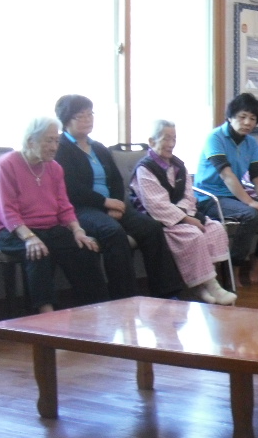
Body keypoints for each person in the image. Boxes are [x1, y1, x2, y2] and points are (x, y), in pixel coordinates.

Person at [54, 94, 183, 300]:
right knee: (113, 232)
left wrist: (115, 203)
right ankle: (125, 298)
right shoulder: (60, 149)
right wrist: (105, 203)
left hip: (111, 205)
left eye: (90, 114)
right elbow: (71, 188)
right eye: (81, 116)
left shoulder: (98, 147)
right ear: (66, 120)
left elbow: (115, 179)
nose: (88, 120)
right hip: (81, 209)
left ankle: (167, 293)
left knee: (151, 227)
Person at [0, 116, 108, 313]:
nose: (54, 147)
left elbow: (64, 206)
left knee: (85, 249)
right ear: (30, 141)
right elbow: (6, 210)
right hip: (10, 229)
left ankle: (95, 311)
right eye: (49, 141)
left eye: (56, 141)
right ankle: (46, 317)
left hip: (48, 227)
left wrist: (78, 231)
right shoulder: (7, 163)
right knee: (38, 252)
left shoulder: (55, 168)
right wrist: (29, 237)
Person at [129, 120, 237, 306]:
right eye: (166, 139)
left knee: (216, 228)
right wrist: (186, 219)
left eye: (174, 138)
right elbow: (157, 205)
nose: (171, 144)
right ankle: (211, 286)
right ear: (151, 141)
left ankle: (202, 285)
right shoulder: (145, 169)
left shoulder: (178, 165)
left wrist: (188, 215)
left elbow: (189, 196)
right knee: (194, 235)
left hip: (184, 215)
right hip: (159, 220)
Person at [195, 93, 258, 286]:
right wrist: (252, 203)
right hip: (209, 198)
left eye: (252, 118)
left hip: (234, 196)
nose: (247, 122)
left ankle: (257, 264)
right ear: (230, 117)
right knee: (251, 215)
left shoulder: (250, 142)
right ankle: (232, 268)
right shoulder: (215, 138)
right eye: (242, 117)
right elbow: (227, 175)